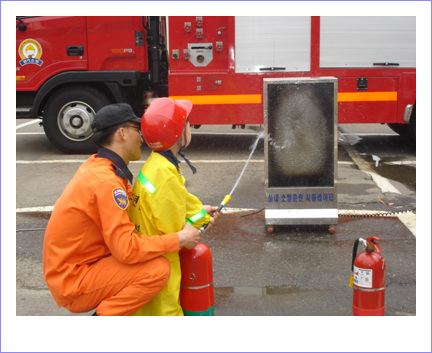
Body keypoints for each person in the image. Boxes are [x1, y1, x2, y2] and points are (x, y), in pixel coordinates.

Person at [42, 103, 200, 316]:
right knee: (157, 270)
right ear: (122, 133)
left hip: (77, 268)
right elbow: (126, 250)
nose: (142, 136)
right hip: (74, 280)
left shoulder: (101, 166)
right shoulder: (106, 182)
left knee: (149, 263)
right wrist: (179, 239)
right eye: (138, 129)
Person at [128, 97, 219, 316]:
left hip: (147, 266)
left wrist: (202, 212)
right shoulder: (166, 176)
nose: (191, 126)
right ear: (178, 134)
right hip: (163, 275)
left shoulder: (156, 165)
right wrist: (203, 222)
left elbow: (168, 211)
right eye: (188, 123)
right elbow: (178, 237)